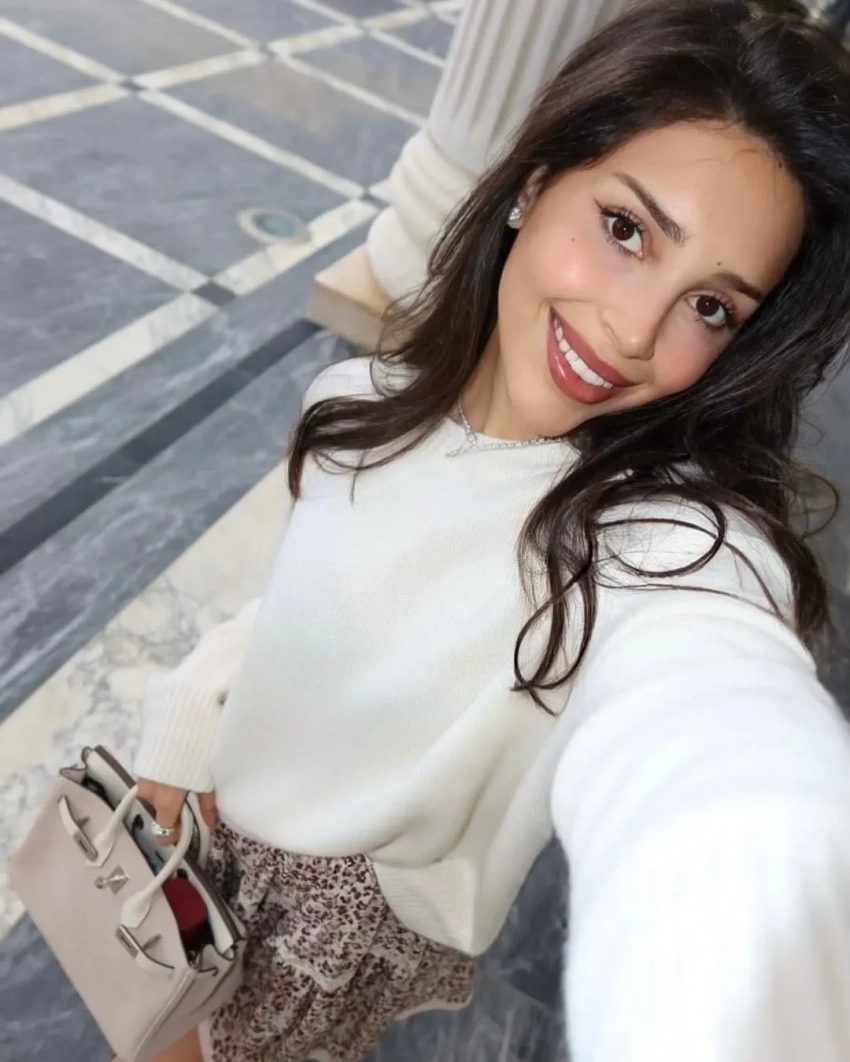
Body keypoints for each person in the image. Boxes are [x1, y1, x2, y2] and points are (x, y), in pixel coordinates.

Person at [130, 1, 850, 1059]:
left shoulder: (644, 543)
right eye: (626, 230)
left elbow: (712, 693)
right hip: (202, 831)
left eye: (711, 307)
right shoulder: (359, 405)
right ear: (534, 181)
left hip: (312, 942)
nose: (634, 332)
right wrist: (188, 719)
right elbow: (293, 604)